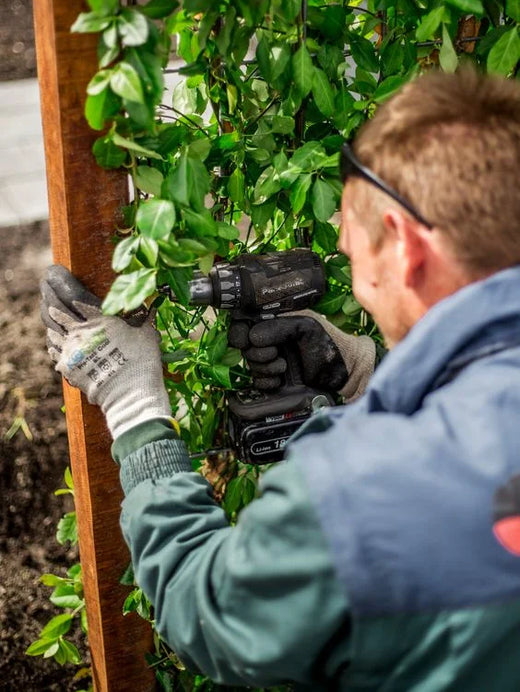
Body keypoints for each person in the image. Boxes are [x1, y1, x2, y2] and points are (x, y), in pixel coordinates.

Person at [40, 68, 520, 691]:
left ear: (404, 245)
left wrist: (134, 409)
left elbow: (215, 616)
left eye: (352, 244)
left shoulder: (364, 488)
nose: (346, 258)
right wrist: (373, 378)